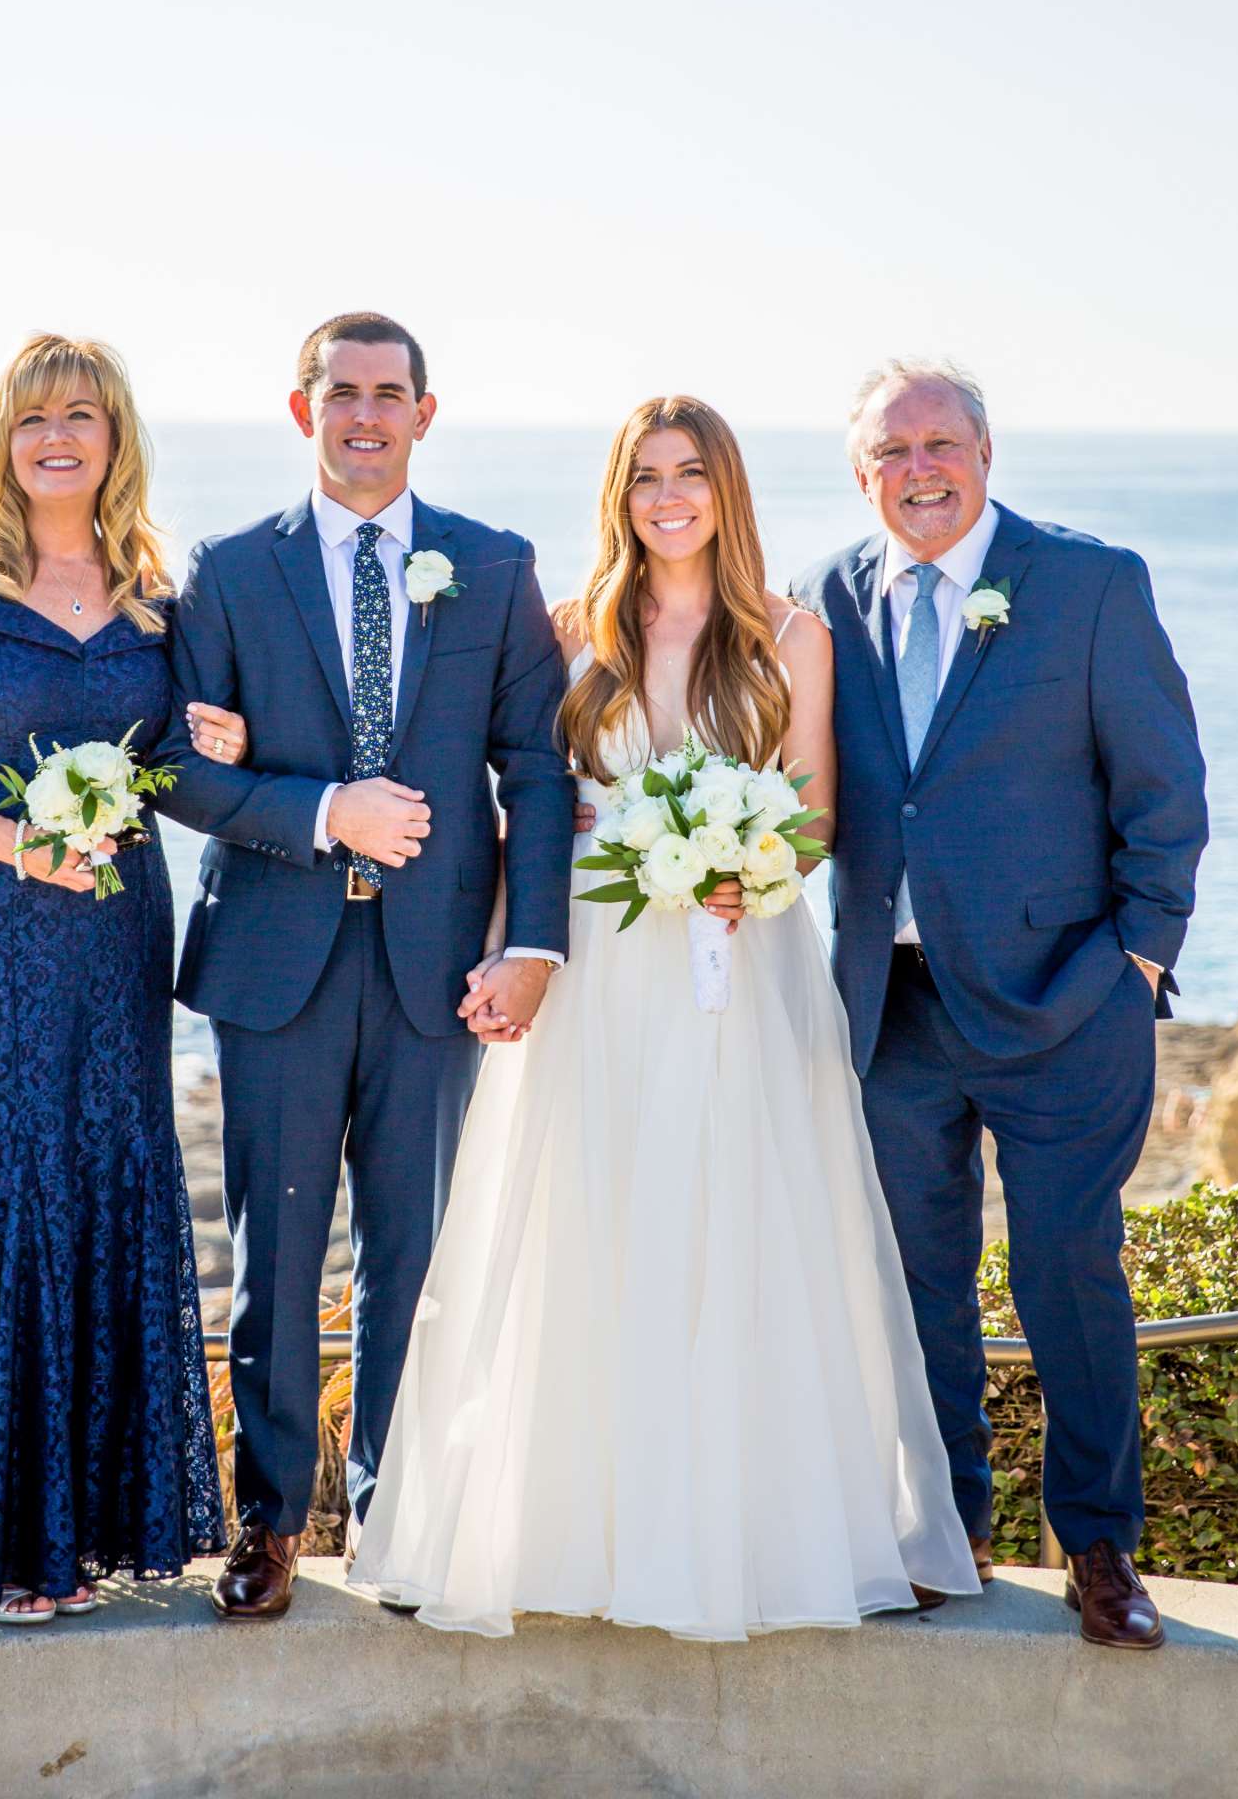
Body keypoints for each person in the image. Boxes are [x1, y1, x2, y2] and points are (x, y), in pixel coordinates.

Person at [348, 395, 982, 1639]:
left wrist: (749, 861)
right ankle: (568, 1534)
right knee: (587, 1229)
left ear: (724, 488)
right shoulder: (571, 627)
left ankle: (746, 1540)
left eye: (689, 473)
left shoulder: (790, 637)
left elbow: (811, 815)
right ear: (620, 495)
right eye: (645, 476)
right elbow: (527, 794)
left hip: (742, 973)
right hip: (596, 967)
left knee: (739, 1232)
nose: (667, 496)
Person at [155, 310, 575, 1622]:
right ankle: (270, 1525)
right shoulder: (226, 573)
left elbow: (542, 771)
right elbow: (179, 769)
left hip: (436, 971)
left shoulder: (494, 568)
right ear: (303, 412)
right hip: (276, 964)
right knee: (272, 1258)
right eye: (341, 393)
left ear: (425, 414)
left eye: (390, 394)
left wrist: (535, 944)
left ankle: (398, 1521)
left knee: (414, 1257)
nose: (365, 416)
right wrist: (321, 811)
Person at [795, 358, 1208, 1650]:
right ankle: (947, 1533)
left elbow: (1164, 793)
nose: (918, 469)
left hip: (1064, 1004)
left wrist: (1138, 960)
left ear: (984, 453)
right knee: (919, 1284)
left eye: (940, 443)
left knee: (1067, 1273)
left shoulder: (1088, 585)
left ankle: (1098, 1547)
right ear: (861, 472)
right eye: (890, 451)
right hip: (893, 1009)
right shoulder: (825, 598)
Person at [0, 333, 241, 1622]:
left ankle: (102, 1529)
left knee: (105, 1174)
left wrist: (212, 739)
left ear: (117, 437)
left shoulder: (151, 593)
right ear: (0, 438)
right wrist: (21, 842)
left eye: (82, 414)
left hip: (115, 935)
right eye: (32, 418)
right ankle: (1, 1542)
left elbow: (172, 772)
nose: (56, 436)